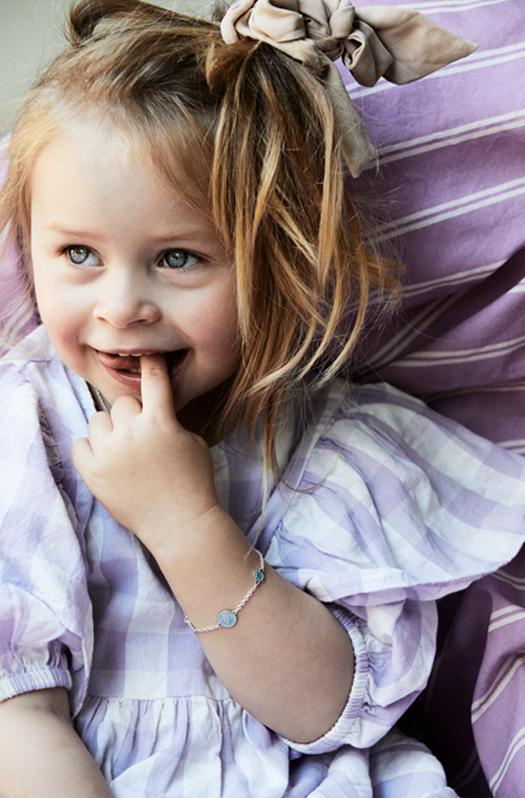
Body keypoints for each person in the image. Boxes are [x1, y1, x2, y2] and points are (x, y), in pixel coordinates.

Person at [0, 1, 524, 796]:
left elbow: (322, 712)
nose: (120, 306)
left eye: (176, 257)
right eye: (78, 253)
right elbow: (15, 713)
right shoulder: (30, 431)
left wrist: (186, 525)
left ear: (277, 265)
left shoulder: (327, 446)